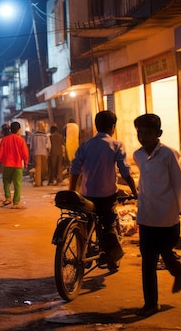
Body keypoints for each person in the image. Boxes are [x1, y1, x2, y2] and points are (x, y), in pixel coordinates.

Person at [133, 113, 181, 317]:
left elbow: (179, 182)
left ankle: (178, 270)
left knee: (165, 251)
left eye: (148, 133)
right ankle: (151, 303)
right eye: (140, 133)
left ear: (159, 133)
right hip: (146, 215)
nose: (143, 137)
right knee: (148, 260)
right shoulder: (137, 155)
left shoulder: (169, 154)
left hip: (167, 215)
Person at [69, 111, 138, 271]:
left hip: (86, 195)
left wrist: (72, 191)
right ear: (113, 127)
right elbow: (125, 171)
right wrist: (134, 191)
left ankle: (83, 253)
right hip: (107, 196)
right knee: (109, 226)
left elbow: (75, 169)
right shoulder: (116, 145)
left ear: (96, 125)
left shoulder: (85, 145)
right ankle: (112, 259)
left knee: (85, 225)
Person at [0, 121, 29, 209]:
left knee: (6, 182)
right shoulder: (21, 140)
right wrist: (26, 162)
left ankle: (8, 197)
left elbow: (0, 152)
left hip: (7, 165)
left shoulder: (4, 140)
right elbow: (25, 153)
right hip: (17, 165)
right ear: (18, 130)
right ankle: (16, 203)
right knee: (17, 184)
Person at [30, 121, 50, 186]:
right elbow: (48, 146)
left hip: (36, 153)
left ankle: (38, 182)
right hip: (44, 153)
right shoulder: (46, 136)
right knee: (44, 168)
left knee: (38, 168)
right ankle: (42, 180)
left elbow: (31, 146)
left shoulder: (33, 136)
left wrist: (32, 152)